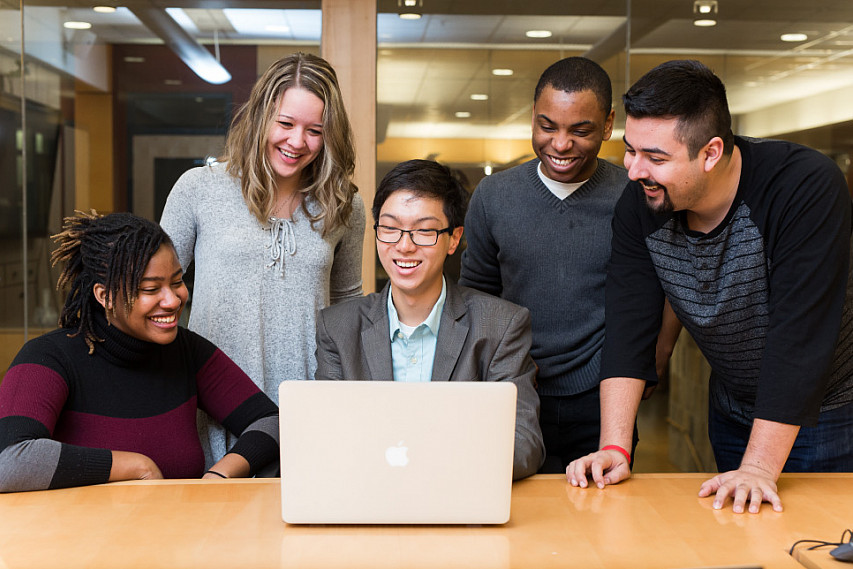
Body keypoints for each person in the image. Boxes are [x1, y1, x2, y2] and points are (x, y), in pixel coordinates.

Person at [567, 59, 853, 513]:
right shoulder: (642, 202)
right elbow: (629, 325)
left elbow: (798, 339)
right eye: (630, 149)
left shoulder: (803, 187)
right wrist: (614, 448)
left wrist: (759, 468)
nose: (634, 170)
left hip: (830, 414)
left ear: (712, 152)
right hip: (733, 408)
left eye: (655, 157)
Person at [459, 57, 679, 472]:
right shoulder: (493, 196)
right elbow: (477, 296)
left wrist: (659, 354)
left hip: (604, 393)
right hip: (517, 389)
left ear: (609, 123)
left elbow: (670, 283)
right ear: (532, 117)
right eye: (547, 126)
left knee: (600, 518)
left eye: (580, 130)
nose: (561, 144)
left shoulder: (636, 195)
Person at [160, 52, 365, 466]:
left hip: (308, 408)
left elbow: (349, 308)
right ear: (259, 117)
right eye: (285, 123)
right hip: (212, 405)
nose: (296, 141)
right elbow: (153, 293)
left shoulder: (345, 204)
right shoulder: (199, 189)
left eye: (314, 131)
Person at [0, 212, 279, 493]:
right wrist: (135, 467)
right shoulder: (48, 357)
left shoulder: (186, 350)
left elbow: (272, 421)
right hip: (80, 535)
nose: (172, 300)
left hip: (178, 531)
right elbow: (9, 461)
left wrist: (219, 476)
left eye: (177, 281)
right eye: (150, 288)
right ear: (104, 295)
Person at [314, 159, 545, 480]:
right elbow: (327, 436)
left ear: (453, 239)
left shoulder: (501, 325)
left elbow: (525, 443)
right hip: (368, 501)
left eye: (424, 231)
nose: (404, 246)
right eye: (391, 228)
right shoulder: (338, 327)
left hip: (461, 505)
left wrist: (435, 464)